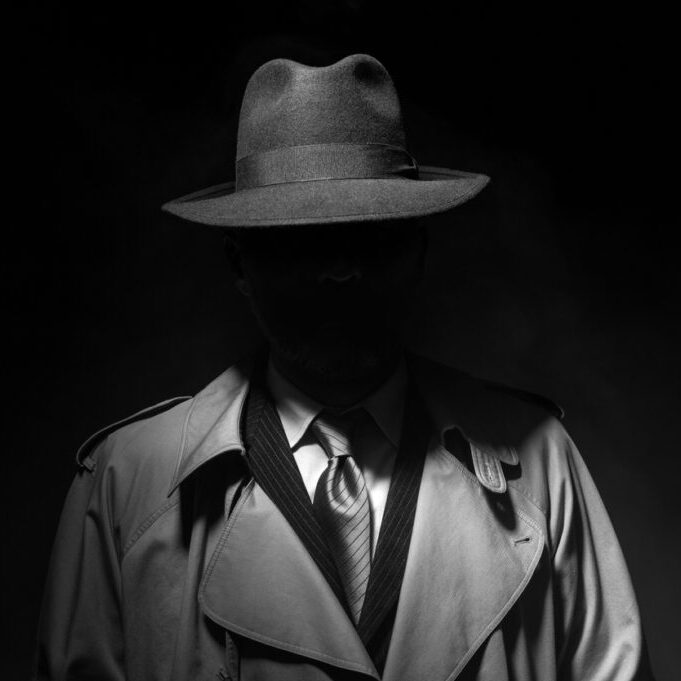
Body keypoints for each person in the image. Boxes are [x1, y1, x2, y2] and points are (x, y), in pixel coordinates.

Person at [35, 54, 653, 680]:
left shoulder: (541, 463)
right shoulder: (123, 485)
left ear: (418, 251)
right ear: (238, 264)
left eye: (371, 234)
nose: (340, 270)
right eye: (301, 241)